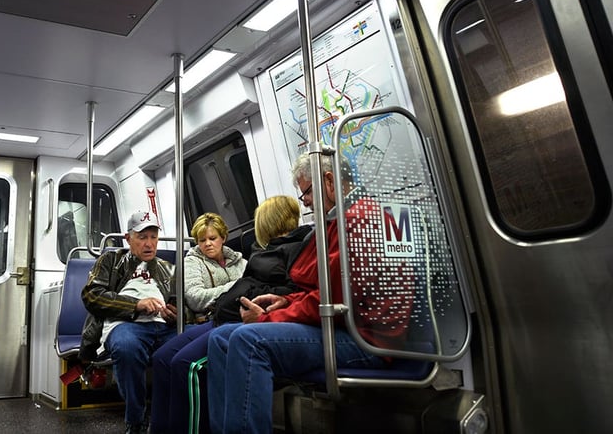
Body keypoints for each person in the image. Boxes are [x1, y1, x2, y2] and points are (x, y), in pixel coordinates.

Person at [206, 152, 413, 434]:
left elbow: (335, 301)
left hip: (366, 338)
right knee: (219, 338)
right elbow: (320, 289)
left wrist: (269, 319)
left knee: (248, 339)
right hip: (341, 323)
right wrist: (285, 301)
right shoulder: (336, 223)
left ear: (328, 181)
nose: (305, 202)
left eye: (306, 192)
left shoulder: (361, 221)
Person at [149, 198, 304, 434]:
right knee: (161, 357)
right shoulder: (197, 261)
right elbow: (195, 297)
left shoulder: (251, 258)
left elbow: (282, 290)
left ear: (223, 238)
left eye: (213, 238)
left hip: (234, 318)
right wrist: (233, 289)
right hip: (216, 315)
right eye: (203, 240)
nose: (208, 244)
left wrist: (235, 289)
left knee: (185, 365)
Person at [80, 210, 178, 434]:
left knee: (201, 339)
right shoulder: (111, 260)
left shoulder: (167, 268)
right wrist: (135, 305)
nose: (149, 244)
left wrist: (176, 315)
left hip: (164, 327)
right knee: (127, 347)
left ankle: (181, 416)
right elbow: (92, 296)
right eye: (142, 237)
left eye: (153, 237)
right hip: (125, 325)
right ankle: (136, 420)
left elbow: (179, 305)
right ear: (128, 238)